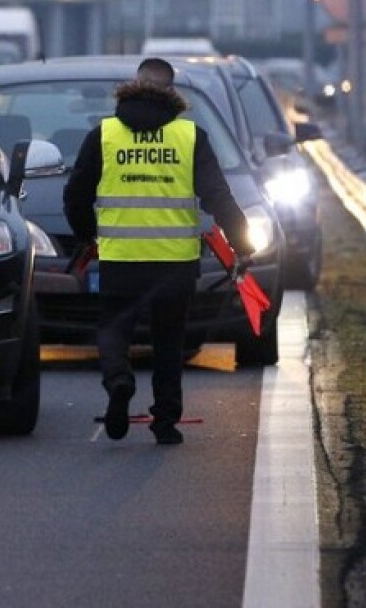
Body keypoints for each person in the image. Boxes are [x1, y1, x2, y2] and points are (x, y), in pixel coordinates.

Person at [62, 57, 254, 445]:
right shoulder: (190, 137)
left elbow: (75, 196)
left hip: (121, 259)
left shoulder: (104, 135)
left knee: (113, 329)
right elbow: (218, 196)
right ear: (171, 91)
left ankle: (119, 381)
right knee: (169, 341)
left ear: (134, 85)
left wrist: (87, 236)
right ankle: (165, 421)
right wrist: (242, 244)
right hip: (174, 262)